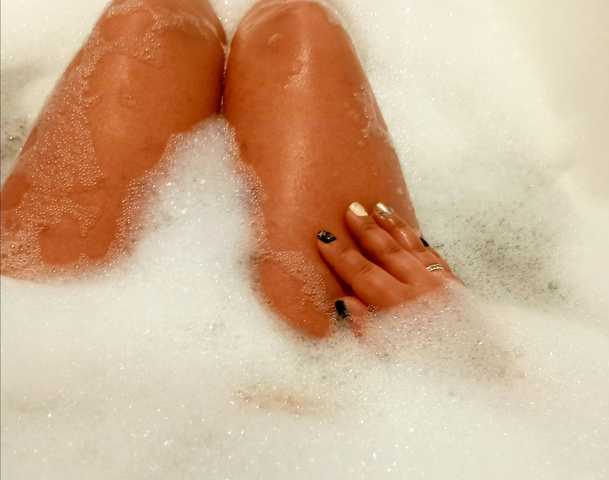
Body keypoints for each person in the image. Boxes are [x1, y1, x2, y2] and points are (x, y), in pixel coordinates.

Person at [0, 0, 456, 337]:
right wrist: (458, 350)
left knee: (154, 16)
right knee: (299, 26)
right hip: (327, 404)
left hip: (39, 364)